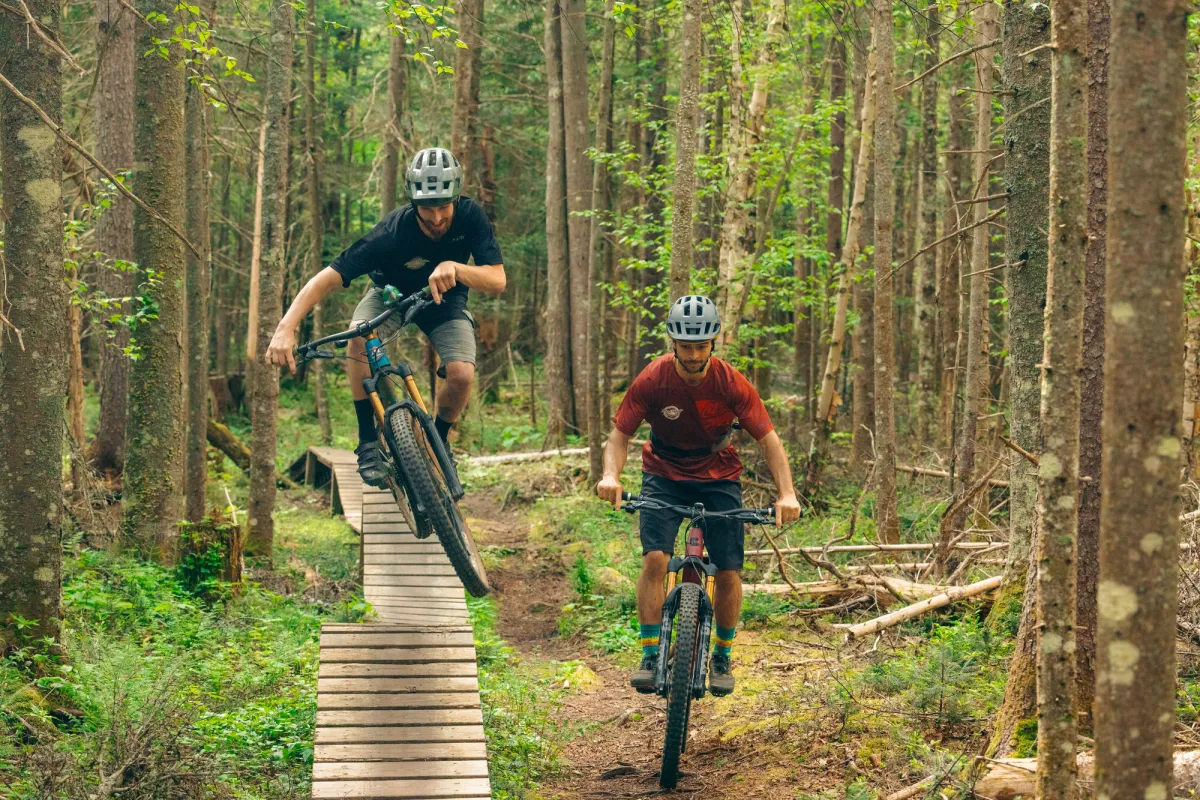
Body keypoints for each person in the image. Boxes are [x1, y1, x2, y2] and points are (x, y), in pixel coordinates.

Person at [596, 295, 802, 696]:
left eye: (701, 345)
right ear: (673, 342)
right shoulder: (653, 379)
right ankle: (651, 653)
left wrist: (787, 494)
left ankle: (722, 654)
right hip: (664, 472)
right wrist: (610, 475)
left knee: (727, 569)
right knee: (655, 558)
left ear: (713, 343)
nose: (693, 355)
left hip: (718, 474)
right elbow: (620, 435)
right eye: (686, 346)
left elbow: (770, 441)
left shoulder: (730, 382)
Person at [266, 147, 505, 487]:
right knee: (357, 333)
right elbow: (327, 278)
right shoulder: (392, 232)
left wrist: (454, 267)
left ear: (456, 197)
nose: (436, 219)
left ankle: (439, 441)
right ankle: (367, 441)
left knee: (462, 374)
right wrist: (285, 328)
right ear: (412, 203)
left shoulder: (471, 217)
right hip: (389, 296)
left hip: (445, 301)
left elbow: (497, 279)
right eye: (427, 209)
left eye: (443, 208)